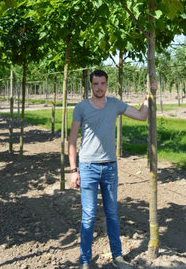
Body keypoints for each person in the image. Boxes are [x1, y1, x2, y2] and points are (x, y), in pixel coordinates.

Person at [68, 69, 152, 269]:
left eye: (102, 83)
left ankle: (118, 257)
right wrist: (73, 170)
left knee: (112, 213)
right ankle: (86, 261)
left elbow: (141, 116)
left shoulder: (114, 104)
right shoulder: (81, 108)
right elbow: (71, 140)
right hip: (87, 168)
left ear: (107, 84)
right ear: (91, 85)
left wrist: (149, 96)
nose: (99, 87)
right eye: (95, 84)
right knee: (88, 215)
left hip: (110, 168)